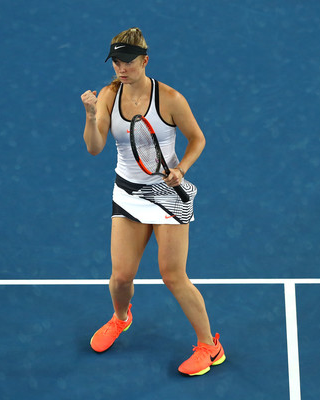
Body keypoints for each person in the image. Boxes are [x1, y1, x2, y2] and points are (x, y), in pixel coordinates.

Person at [80, 27, 225, 377]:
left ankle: (210, 346)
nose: (121, 68)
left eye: (128, 61)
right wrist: (89, 116)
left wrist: (182, 168)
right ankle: (121, 318)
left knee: (174, 276)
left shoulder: (171, 99)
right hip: (128, 193)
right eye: (116, 61)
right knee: (120, 278)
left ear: (145, 60)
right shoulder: (107, 96)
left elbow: (198, 139)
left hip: (166, 194)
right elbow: (95, 147)